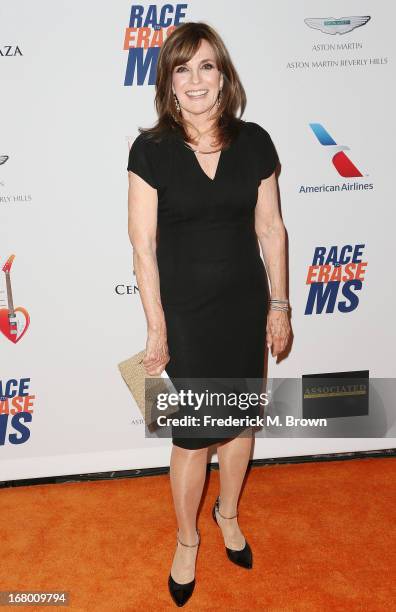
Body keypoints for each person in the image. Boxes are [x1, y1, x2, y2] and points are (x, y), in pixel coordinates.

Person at [127, 21, 291, 607]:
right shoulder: (151, 151)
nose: (195, 80)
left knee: (242, 423)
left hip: (244, 307)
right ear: (169, 84)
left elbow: (271, 228)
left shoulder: (256, 143)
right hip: (187, 318)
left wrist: (279, 306)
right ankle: (188, 538)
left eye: (206, 66)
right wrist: (156, 327)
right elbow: (143, 247)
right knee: (194, 438)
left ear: (223, 76)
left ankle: (227, 513)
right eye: (182, 68)